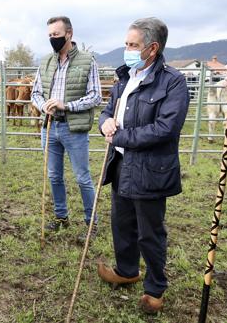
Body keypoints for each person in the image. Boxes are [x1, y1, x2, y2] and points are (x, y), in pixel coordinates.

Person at [97, 17, 189, 314]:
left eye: (133, 45)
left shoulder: (172, 81)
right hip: (122, 161)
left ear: (152, 48)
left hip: (151, 168)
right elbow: (108, 111)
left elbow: (165, 129)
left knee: (149, 231)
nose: (127, 49)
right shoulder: (125, 76)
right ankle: (126, 270)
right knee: (121, 222)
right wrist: (105, 123)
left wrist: (120, 134)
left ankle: (155, 288)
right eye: (126, 44)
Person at [31, 16, 102, 242]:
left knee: (82, 177)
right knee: (53, 175)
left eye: (56, 35)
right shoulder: (45, 62)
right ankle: (61, 217)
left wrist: (67, 105)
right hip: (50, 127)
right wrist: (44, 106)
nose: (53, 39)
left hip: (74, 129)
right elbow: (35, 93)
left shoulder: (87, 61)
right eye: (50, 35)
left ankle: (91, 222)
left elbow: (95, 96)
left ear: (69, 34)